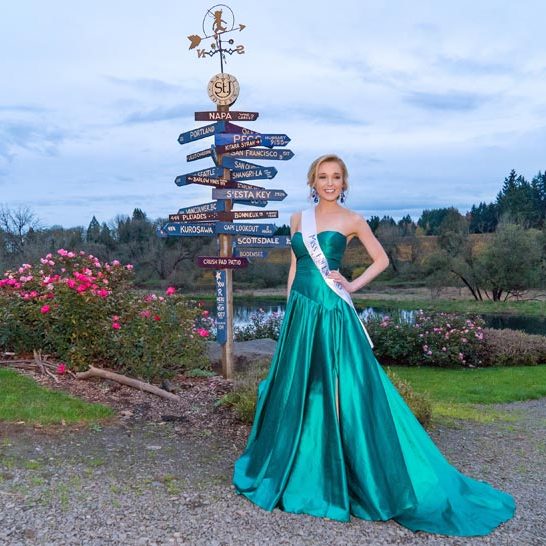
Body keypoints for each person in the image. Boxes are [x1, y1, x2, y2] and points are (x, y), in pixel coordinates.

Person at [232, 154, 516, 536]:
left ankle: (345, 473)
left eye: (336, 177)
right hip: (301, 313)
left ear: (344, 182)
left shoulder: (353, 220)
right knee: (300, 389)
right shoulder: (299, 218)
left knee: (344, 389)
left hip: (332, 313)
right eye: (322, 176)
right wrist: (289, 312)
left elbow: (381, 260)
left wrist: (352, 284)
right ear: (312, 182)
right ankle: (303, 465)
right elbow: (296, 267)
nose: (329, 183)